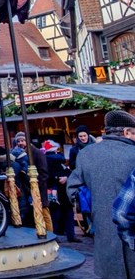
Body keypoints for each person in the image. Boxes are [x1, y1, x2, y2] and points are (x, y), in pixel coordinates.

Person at [68, 110, 135, 279]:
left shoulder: (86, 154)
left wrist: (93, 204)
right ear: (126, 132)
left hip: (104, 230)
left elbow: (72, 190)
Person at [43, 140, 76, 242]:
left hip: (53, 189)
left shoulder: (45, 160)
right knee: (67, 213)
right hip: (62, 189)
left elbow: (46, 175)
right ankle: (71, 235)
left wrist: (58, 178)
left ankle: (54, 236)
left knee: (55, 215)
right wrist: (65, 177)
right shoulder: (60, 160)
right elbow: (68, 172)